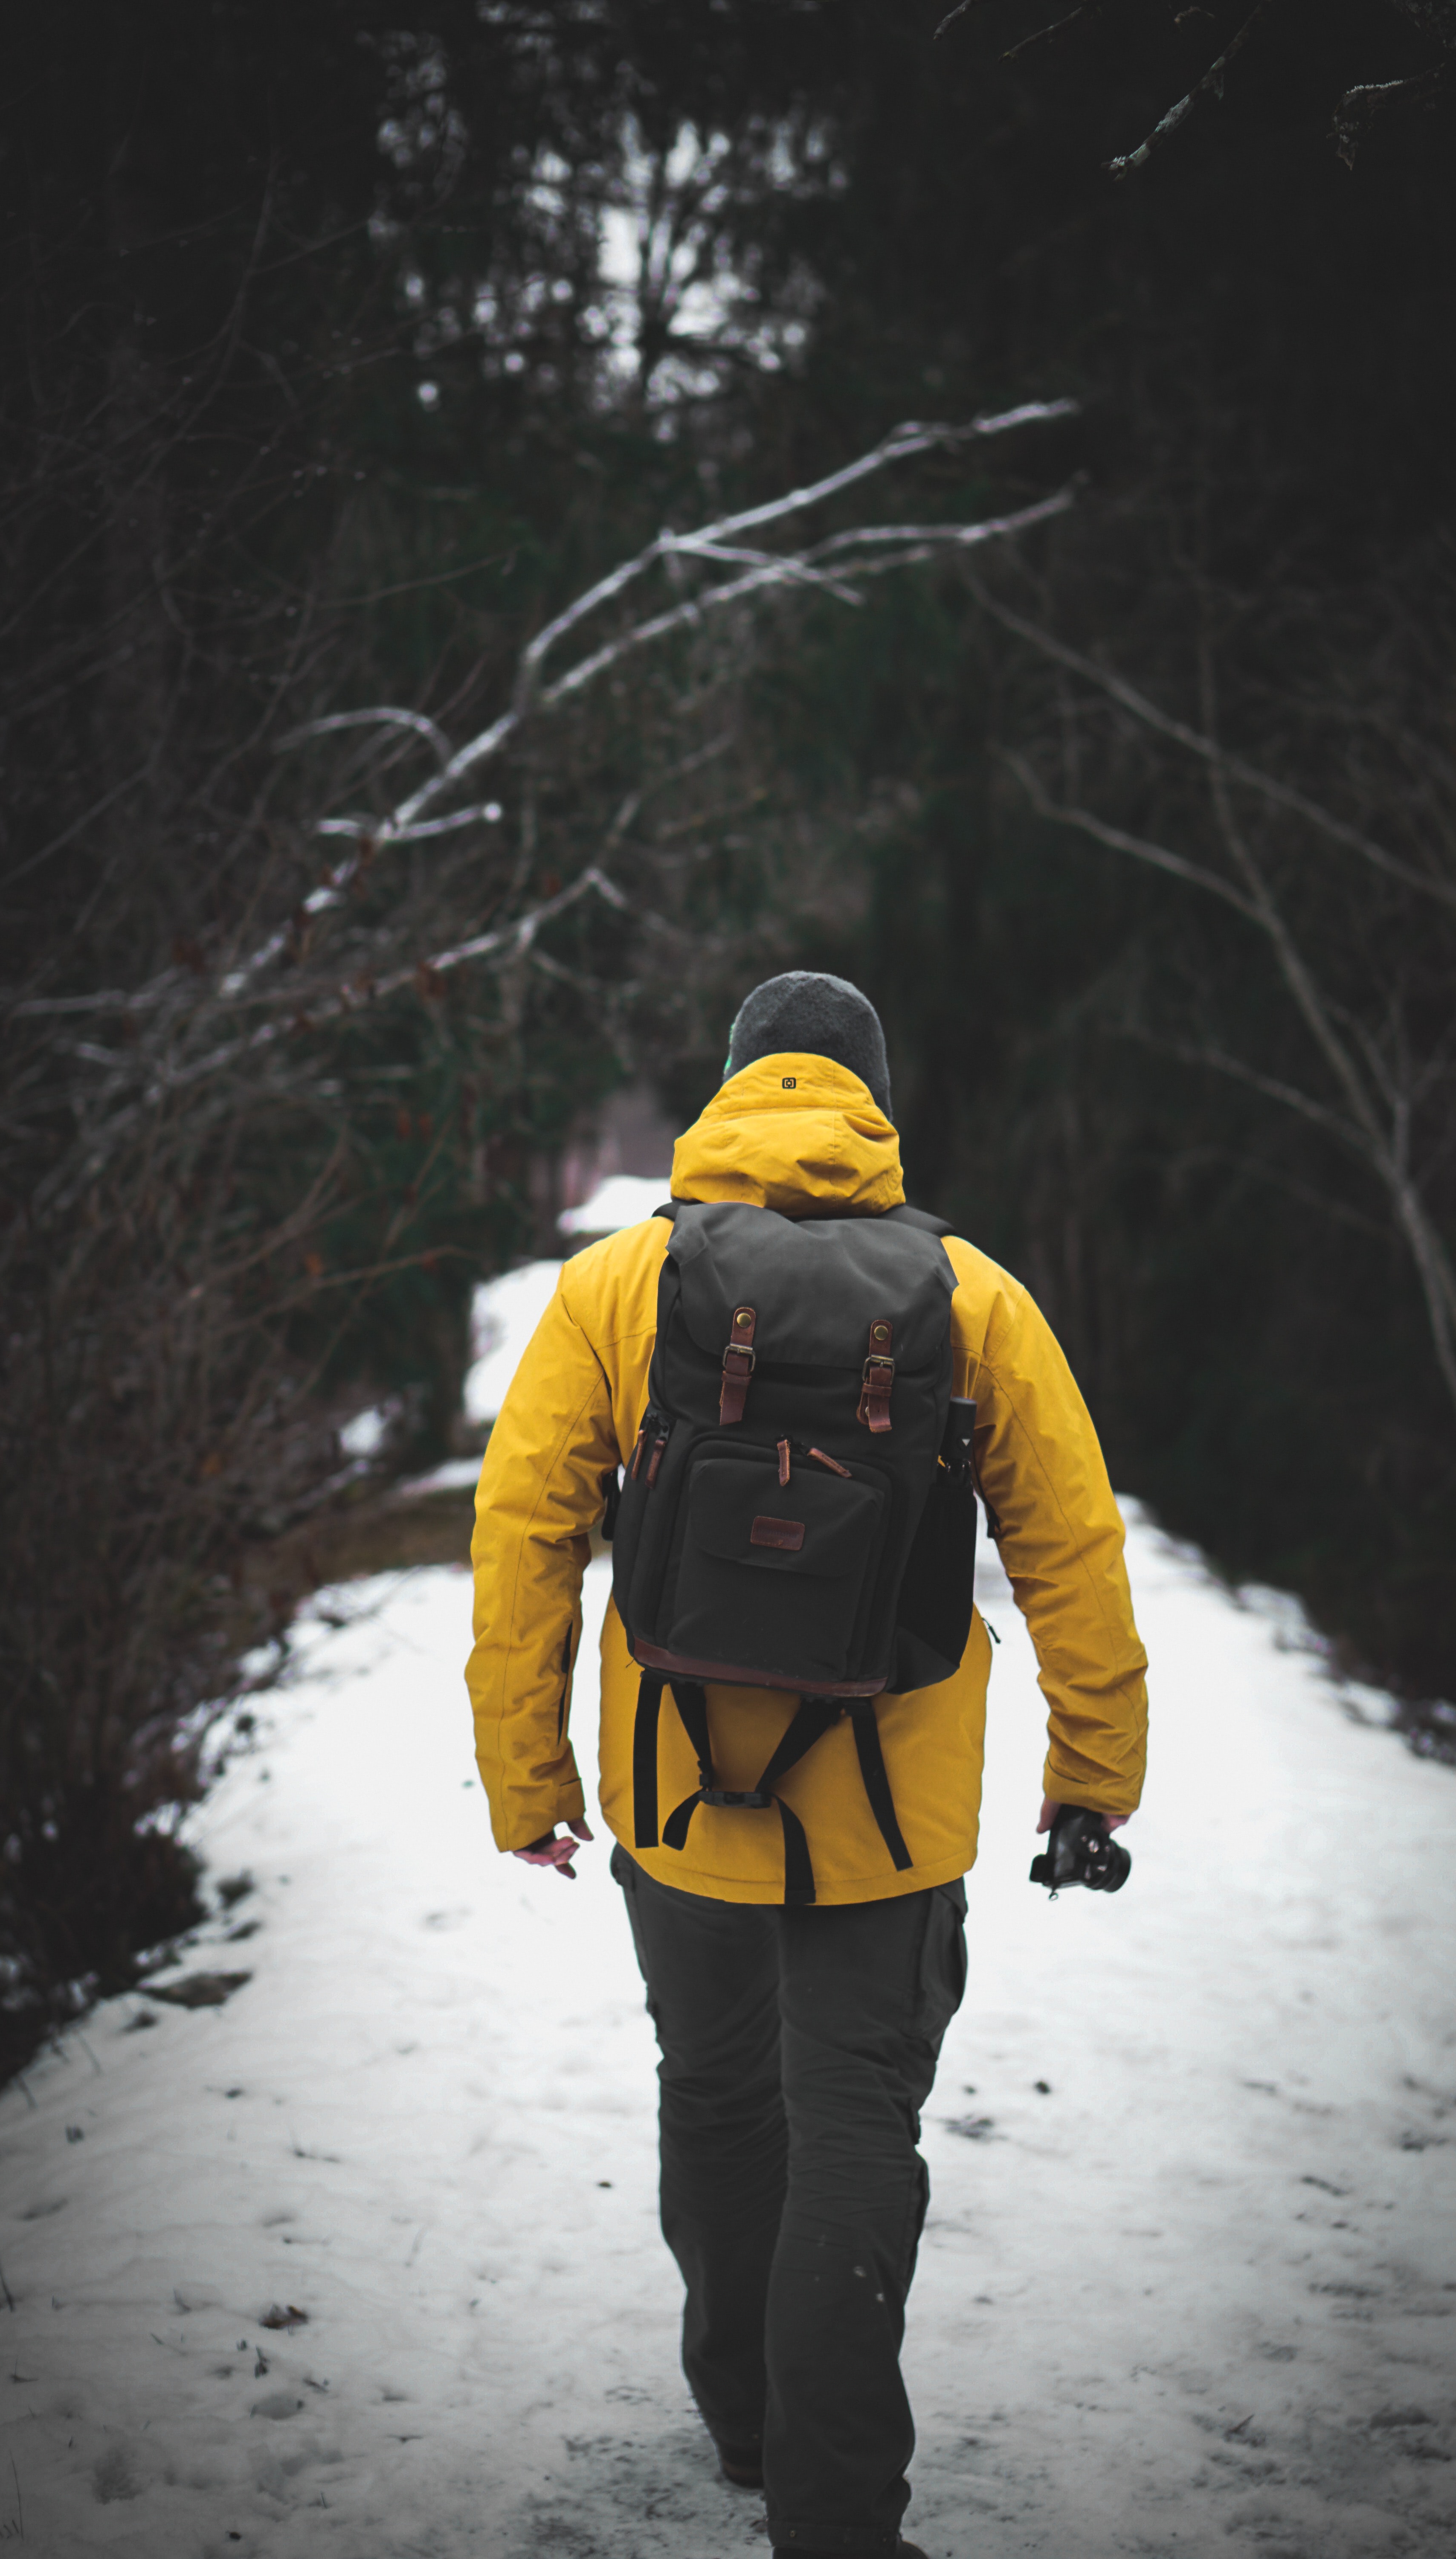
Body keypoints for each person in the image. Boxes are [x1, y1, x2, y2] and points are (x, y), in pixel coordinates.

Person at [467, 972, 1148, 2559]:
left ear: (728, 1089)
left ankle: (744, 2416)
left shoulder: (621, 1289)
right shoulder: (969, 1296)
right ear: (875, 1101)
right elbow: (1074, 1551)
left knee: (713, 2100)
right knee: (853, 2135)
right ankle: (837, 2522)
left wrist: (529, 1781)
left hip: (680, 1800)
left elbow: (525, 1537)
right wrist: (1090, 1775)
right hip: (890, 1827)